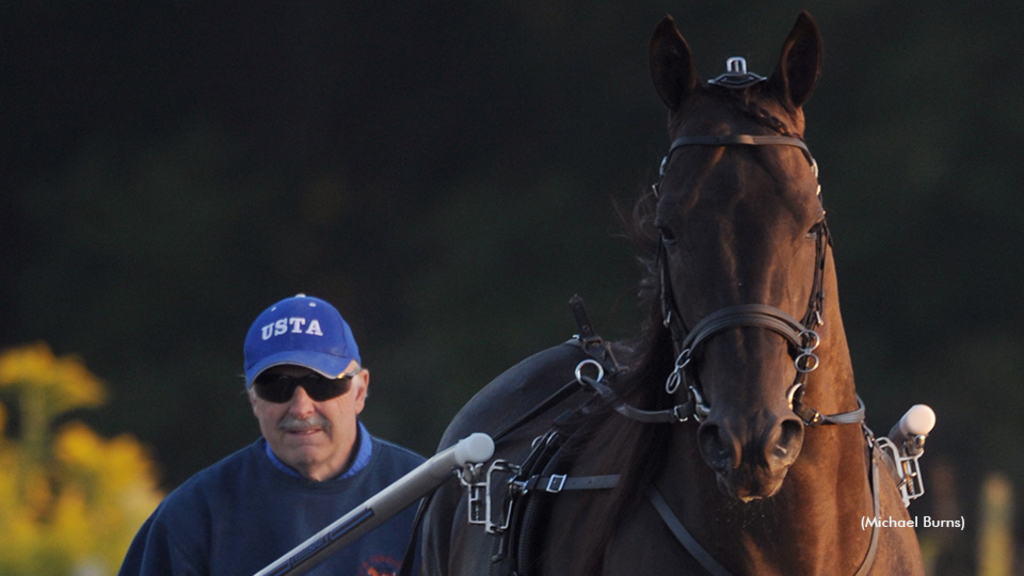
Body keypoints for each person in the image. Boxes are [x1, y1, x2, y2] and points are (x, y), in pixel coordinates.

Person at [119, 294, 425, 576]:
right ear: (253, 399)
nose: (301, 407)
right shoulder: (192, 516)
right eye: (276, 386)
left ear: (360, 390)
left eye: (321, 383)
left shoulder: (429, 497)